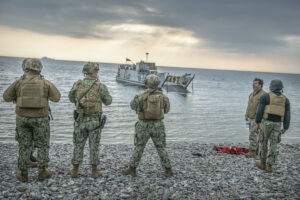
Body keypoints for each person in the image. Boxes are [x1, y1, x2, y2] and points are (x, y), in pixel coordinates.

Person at [3, 58, 61, 182]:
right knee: (43, 146)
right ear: (39, 69)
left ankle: (23, 174)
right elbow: (56, 98)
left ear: (25, 69)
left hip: (22, 118)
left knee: (24, 146)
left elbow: (6, 97)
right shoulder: (45, 83)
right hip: (41, 119)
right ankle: (42, 172)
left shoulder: (18, 82)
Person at [122, 74, 173, 177]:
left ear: (146, 84)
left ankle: (132, 169)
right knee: (161, 147)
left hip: (143, 125)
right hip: (158, 125)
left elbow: (132, 106)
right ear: (157, 84)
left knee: (139, 147)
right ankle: (168, 170)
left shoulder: (140, 96)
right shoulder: (163, 97)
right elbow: (167, 110)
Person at [69, 62, 112, 179]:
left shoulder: (77, 84)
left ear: (85, 72)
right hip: (94, 121)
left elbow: (71, 98)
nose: (97, 73)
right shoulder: (100, 86)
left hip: (80, 119)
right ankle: (94, 171)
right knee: (94, 146)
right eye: (96, 71)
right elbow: (108, 101)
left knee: (78, 145)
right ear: (92, 72)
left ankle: (75, 170)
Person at [255, 79, 290, 172]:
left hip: (266, 123)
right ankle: (269, 166)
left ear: (271, 87)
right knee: (274, 144)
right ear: (281, 88)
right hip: (278, 124)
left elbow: (260, 111)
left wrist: (257, 122)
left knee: (263, 142)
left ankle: (262, 163)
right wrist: (286, 127)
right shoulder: (285, 99)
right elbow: (287, 114)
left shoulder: (265, 96)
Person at [244, 78, 266, 157]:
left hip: (257, 119)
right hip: (250, 117)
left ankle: (253, 151)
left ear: (260, 85)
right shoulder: (251, 94)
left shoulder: (264, 95)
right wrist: (246, 115)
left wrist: (259, 120)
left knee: (253, 134)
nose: (253, 85)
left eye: (256, 83)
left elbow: (265, 109)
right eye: (253, 83)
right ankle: (256, 150)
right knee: (252, 133)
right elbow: (249, 105)